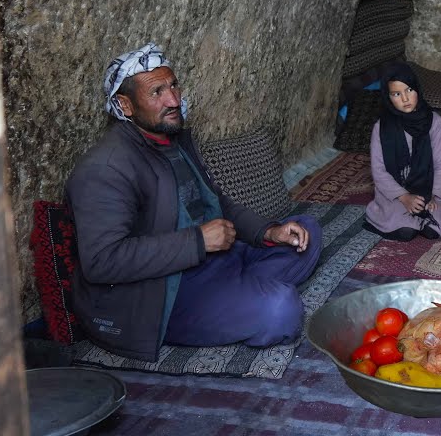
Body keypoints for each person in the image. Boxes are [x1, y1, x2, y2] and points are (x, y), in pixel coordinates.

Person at [65, 43, 324, 362]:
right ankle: (247, 299)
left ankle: (241, 295)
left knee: (306, 232)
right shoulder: (106, 168)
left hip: (220, 260)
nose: (173, 100)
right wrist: (198, 241)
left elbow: (219, 204)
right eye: (156, 92)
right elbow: (103, 261)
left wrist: (269, 232)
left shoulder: (174, 139)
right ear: (125, 105)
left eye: (173, 85)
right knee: (282, 308)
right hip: (165, 292)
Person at [365, 63, 441, 241]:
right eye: (396, 94)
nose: (405, 99)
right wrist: (403, 196)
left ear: (417, 89)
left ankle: (428, 209)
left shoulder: (433, 122)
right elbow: (378, 170)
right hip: (394, 193)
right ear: (388, 97)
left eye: (409, 90)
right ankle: (381, 213)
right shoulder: (381, 128)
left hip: (427, 190)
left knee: (433, 230)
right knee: (405, 231)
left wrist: (435, 196)